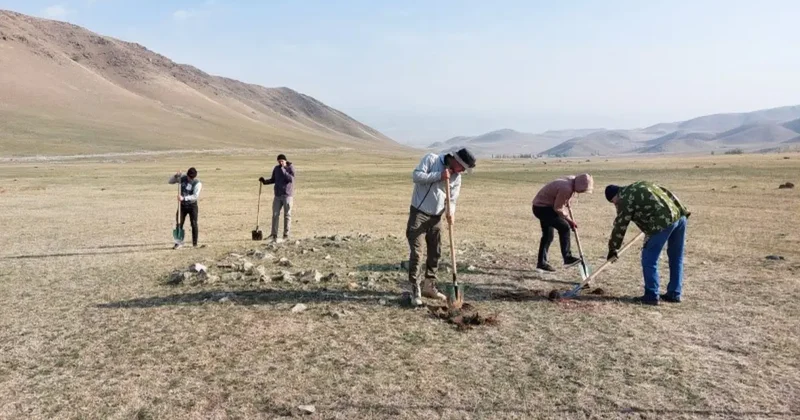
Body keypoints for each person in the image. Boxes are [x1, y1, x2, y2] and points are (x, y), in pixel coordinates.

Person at [406, 147, 477, 306]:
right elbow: (416, 176)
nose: (462, 171)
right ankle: (415, 288)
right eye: (462, 168)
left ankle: (429, 286)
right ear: (456, 161)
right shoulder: (432, 160)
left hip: (436, 217)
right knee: (417, 252)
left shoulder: (457, 177)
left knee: (435, 251)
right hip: (419, 212)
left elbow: (452, 199)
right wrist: (439, 176)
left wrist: (450, 212)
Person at [604, 182, 691, 305]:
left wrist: (613, 248)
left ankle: (651, 295)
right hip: (679, 216)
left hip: (663, 222)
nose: (615, 205)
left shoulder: (624, 198)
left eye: (614, 202)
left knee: (649, 258)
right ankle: (674, 293)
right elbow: (666, 193)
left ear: (616, 195)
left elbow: (620, 224)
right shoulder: (641, 185)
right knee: (676, 257)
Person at [531, 174, 594, 272]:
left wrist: (568, 201)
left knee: (548, 235)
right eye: (582, 190)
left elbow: (561, 199)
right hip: (542, 208)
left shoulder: (572, 181)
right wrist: (570, 221)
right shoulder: (566, 188)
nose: (582, 192)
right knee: (564, 227)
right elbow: (558, 208)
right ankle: (567, 257)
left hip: (543, 206)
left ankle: (541, 263)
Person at [260, 154, 295, 242]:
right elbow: (273, 179)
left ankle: (286, 235)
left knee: (287, 215)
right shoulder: (276, 168)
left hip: (287, 195)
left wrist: (283, 169)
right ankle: (273, 234)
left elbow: (291, 179)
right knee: (275, 215)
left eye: (282, 161)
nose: (280, 163)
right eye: (279, 161)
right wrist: (265, 181)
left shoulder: (290, 168)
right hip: (277, 196)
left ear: (285, 161)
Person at [169, 167, 202, 248]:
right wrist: (176, 176)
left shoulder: (198, 184)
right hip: (182, 206)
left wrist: (184, 198)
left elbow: (195, 196)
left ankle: (195, 243)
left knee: (194, 224)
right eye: (189, 177)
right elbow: (170, 181)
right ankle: (178, 242)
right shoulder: (182, 178)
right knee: (179, 223)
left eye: (192, 177)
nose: (190, 179)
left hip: (192, 205)